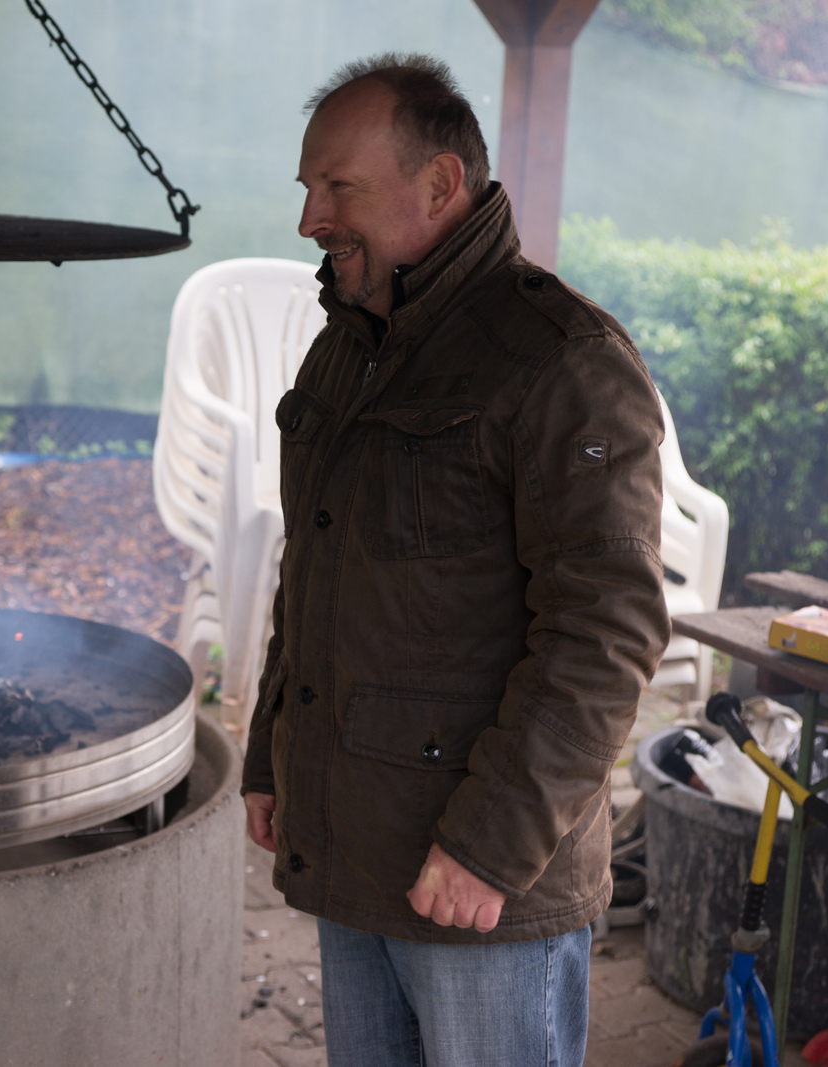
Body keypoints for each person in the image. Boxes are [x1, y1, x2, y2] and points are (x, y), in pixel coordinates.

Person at [242, 54, 669, 1067]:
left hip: (481, 882)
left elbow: (604, 636)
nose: (309, 218)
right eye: (307, 187)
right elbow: (316, 566)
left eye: (336, 187)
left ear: (438, 184)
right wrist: (271, 754)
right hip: (354, 846)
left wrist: (488, 846)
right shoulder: (351, 341)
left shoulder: (564, 362)